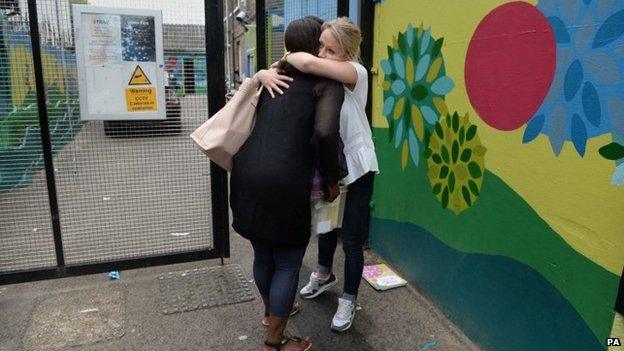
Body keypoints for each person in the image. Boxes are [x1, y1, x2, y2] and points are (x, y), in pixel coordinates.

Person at [231, 17, 346, 351]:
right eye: (323, 44)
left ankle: (273, 314)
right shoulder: (325, 83)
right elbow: (325, 133)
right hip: (286, 182)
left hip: (246, 172)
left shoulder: (273, 74)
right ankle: (275, 343)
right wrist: (332, 179)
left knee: (263, 253)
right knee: (288, 263)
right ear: (315, 47)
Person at [263, 16, 379, 333]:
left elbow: (305, 63)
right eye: (320, 47)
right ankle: (324, 274)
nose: (323, 54)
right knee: (327, 225)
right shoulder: (324, 66)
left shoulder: (356, 73)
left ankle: (349, 298)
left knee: (352, 237)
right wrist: (263, 72)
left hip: (358, 165)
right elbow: (286, 67)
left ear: (348, 53)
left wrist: (287, 57)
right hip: (331, 164)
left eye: (331, 50)